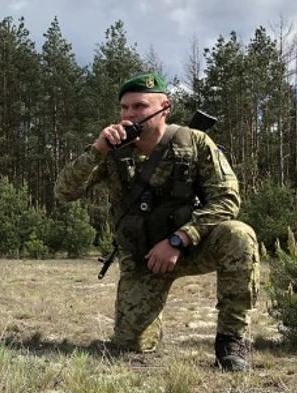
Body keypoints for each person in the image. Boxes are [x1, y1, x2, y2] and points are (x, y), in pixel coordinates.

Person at [56, 72, 259, 371]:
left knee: (239, 235)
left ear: (165, 108)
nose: (129, 114)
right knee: (131, 346)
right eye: (124, 108)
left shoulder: (194, 143)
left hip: (191, 247)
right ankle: (143, 326)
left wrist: (179, 239)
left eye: (139, 106)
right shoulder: (111, 152)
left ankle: (231, 342)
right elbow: (64, 192)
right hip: (143, 258)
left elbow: (227, 200)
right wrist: (97, 149)